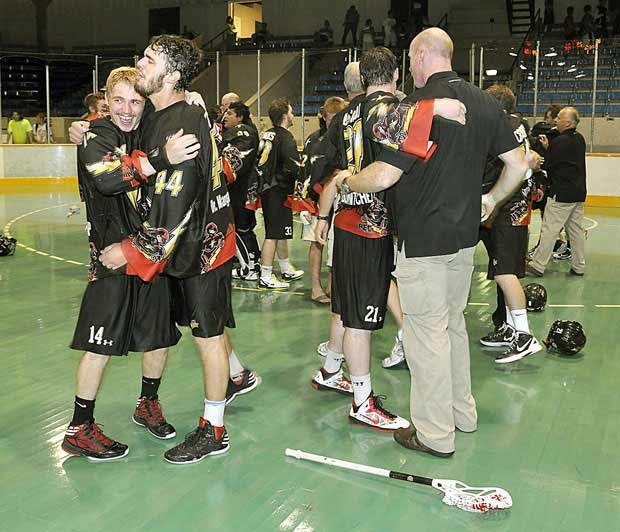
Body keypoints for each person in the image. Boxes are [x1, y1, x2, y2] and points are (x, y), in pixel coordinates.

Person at [333, 29, 528, 457]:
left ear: (422, 56)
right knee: (452, 325)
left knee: (427, 336)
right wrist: (492, 199)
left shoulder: (414, 108)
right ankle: (463, 413)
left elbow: (384, 175)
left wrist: (348, 182)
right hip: (463, 239)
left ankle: (435, 433)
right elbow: (519, 163)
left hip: (423, 240)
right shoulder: (485, 101)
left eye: (412, 58)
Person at [100, 35, 238, 465]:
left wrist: (131, 249)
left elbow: (174, 205)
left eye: (149, 59)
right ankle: (236, 375)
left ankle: (214, 429)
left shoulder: (183, 119)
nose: (139, 62)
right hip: (186, 249)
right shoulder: (166, 114)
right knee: (207, 331)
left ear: (172, 76)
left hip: (202, 247)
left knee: (207, 337)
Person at [312, 46, 466, 430]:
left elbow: (325, 165)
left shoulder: (345, 113)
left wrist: (322, 213)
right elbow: (391, 121)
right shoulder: (382, 108)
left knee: (346, 312)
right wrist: (436, 108)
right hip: (370, 226)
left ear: (362, 77)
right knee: (361, 321)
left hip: (347, 221)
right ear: (396, 74)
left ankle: (332, 370)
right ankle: (362, 402)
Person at [61, 67, 195, 461]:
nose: (127, 109)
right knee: (99, 345)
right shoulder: (95, 134)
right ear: (106, 99)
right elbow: (108, 178)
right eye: (119, 100)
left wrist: (194, 102)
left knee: (159, 336)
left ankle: (147, 403)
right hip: (111, 258)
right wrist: (159, 160)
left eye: (136, 101)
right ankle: (79, 427)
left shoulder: (150, 128)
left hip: (149, 251)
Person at [478, 84, 543, 364]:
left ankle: (524, 336)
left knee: (504, 272)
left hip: (509, 208)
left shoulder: (502, 126)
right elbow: (529, 160)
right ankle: (508, 328)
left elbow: (510, 164)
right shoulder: (518, 124)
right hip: (517, 207)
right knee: (505, 270)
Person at [290, 96, 347, 303]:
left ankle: (333, 286)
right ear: (323, 116)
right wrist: (302, 202)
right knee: (316, 242)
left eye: (337, 118)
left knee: (336, 242)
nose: (332, 122)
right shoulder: (314, 140)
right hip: (315, 199)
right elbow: (304, 171)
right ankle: (315, 287)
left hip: (340, 199)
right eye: (330, 118)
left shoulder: (346, 138)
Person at [251, 98, 304, 290]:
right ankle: (265, 274)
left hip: (266, 189)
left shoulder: (266, 134)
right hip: (278, 190)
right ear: (284, 115)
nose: (293, 115)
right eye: (291, 111)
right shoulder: (286, 137)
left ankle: (285, 267)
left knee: (280, 230)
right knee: (273, 233)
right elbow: (294, 166)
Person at [527, 107, 587, 277]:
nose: (555, 121)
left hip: (561, 193)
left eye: (559, 118)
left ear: (567, 123)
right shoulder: (579, 139)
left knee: (549, 229)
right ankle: (579, 266)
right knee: (575, 231)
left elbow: (546, 163)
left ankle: (538, 265)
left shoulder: (560, 142)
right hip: (577, 193)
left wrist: (545, 149)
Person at [221, 101, 261, 281]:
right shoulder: (247, 132)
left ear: (240, 116)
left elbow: (231, 163)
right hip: (244, 190)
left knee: (241, 228)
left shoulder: (243, 133)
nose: (225, 116)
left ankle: (249, 268)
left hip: (242, 190)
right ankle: (253, 265)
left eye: (229, 113)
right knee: (245, 228)